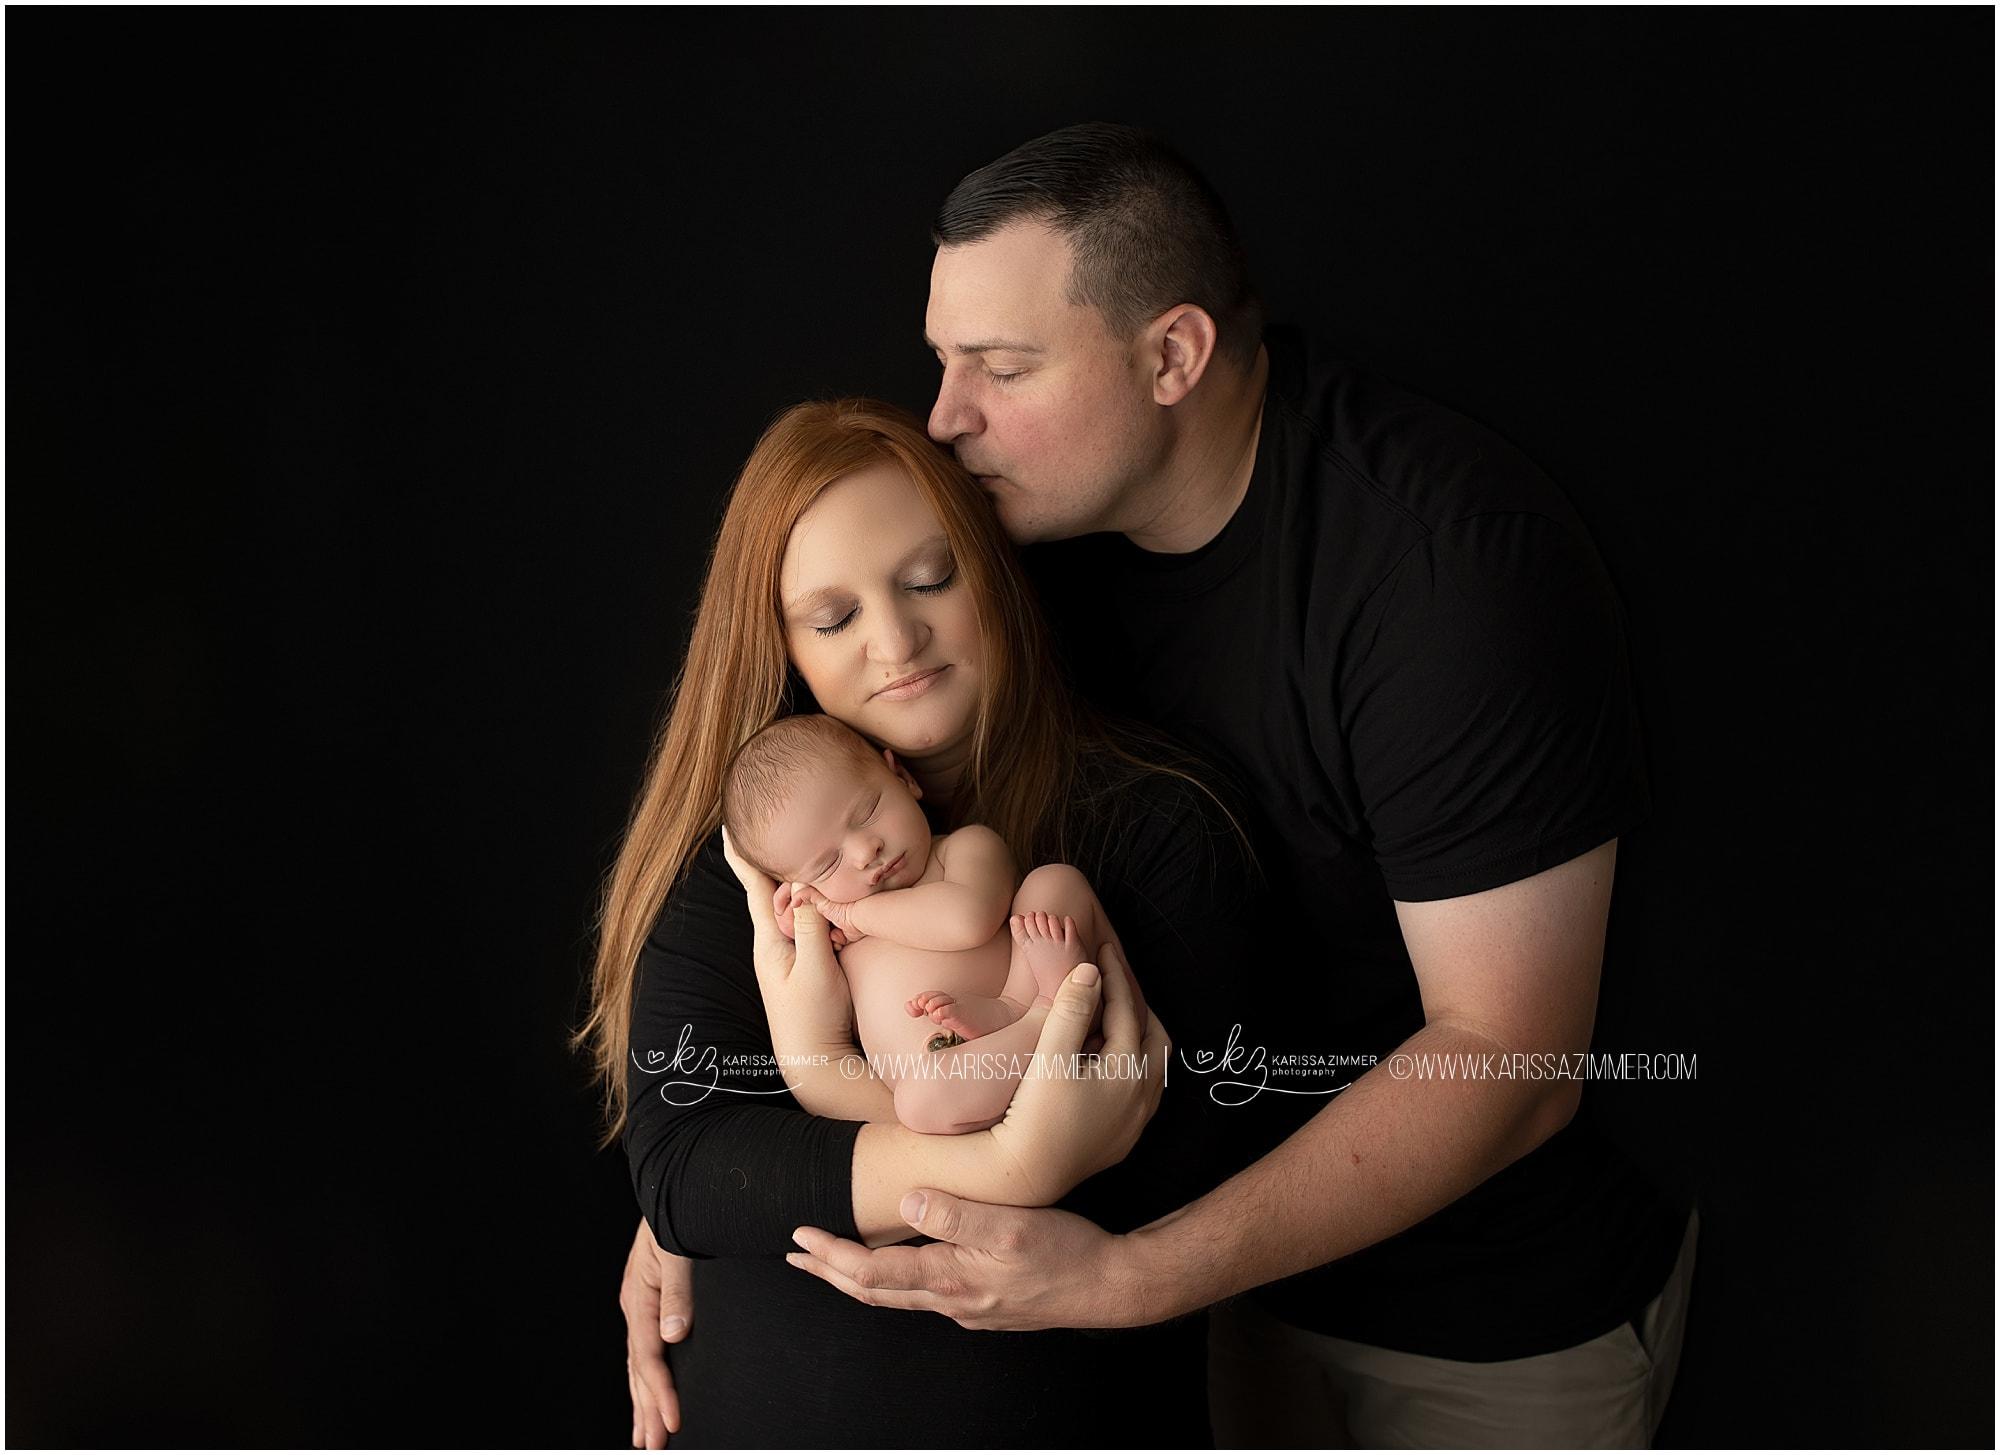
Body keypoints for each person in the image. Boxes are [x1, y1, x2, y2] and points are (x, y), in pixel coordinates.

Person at [623, 124, 1699, 1448]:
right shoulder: (1022, 538)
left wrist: (1133, 1272)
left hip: (1464, 1315)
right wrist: (699, 1178)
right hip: (1193, 1306)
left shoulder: (1444, 571)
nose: (947, 416)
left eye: (1001, 367)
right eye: (942, 358)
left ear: (1172, 355)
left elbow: (1512, 1058)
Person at [578, 396, 1258, 1447]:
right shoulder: (757, 865)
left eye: (930, 578)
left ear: (993, 569)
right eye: (834, 616)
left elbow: (1182, 1169)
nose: (895, 641)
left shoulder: (1156, 821)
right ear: (782, 645)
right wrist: (1010, 1166)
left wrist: (811, 1152)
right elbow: (686, 1171)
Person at [720, 710, 1111, 1130]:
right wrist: (800, 926)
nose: (864, 851)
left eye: (868, 810)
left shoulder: (965, 850)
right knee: (917, 1101)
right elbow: (814, 1010)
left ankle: (1030, 1012)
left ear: (902, 778)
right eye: (826, 865)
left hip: (1041, 999)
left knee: (1055, 884)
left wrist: (855, 912)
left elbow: (967, 921)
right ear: (798, 889)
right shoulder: (835, 933)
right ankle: (1040, 1027)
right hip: (970, 1078)